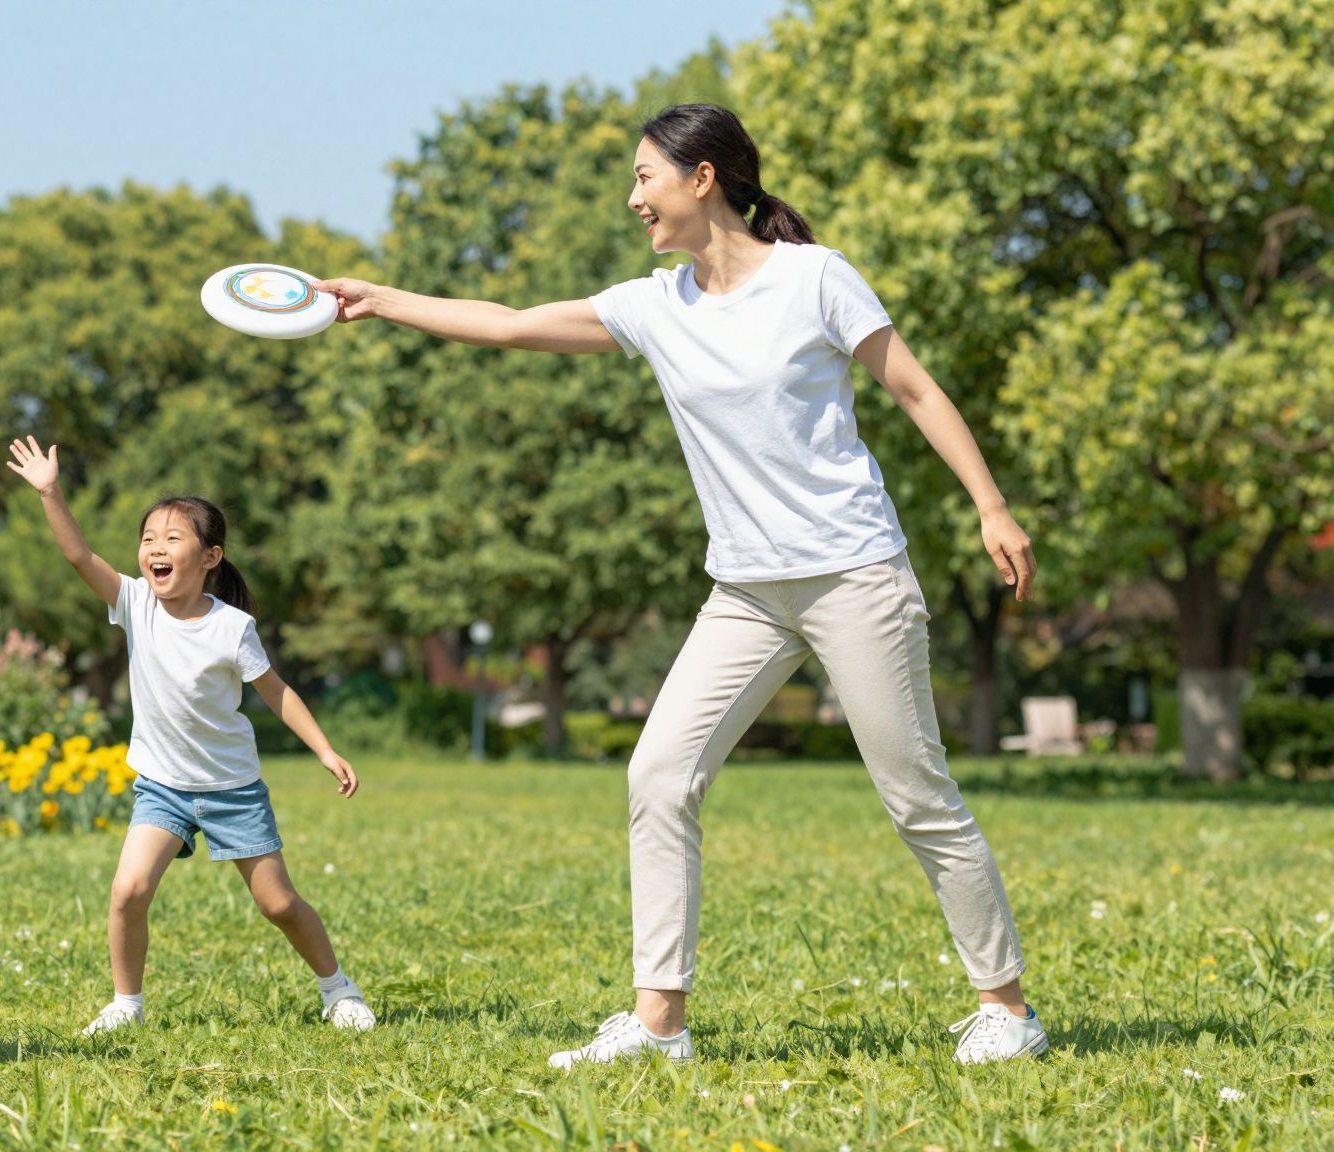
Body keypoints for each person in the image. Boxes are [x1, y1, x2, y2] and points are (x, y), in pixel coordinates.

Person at [314, 103, 1047, 1066]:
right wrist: (384, 298)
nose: (633, 199)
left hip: (851, 574)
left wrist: (990, 505)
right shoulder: (657, 305)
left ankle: (1008, 1011)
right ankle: (661, 1026)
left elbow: (912, 387)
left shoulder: (815, 279)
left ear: (703, 178)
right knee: (658, 775)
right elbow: (507, 324)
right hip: (744, 591)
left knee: (915, 792)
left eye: (645, 178)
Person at [6, 435, 375, 1036]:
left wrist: (325, 749)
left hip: (232, 789)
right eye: (148, 538)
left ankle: (338, 989)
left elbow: (276, 690)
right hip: (163, 788)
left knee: (278, 905)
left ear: (210, 557)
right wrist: (51, 492)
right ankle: (127, 1004)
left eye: (172, 539)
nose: (155, 548)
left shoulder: (233, 628)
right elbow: (79, 556)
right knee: (128, 890)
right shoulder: (134, 604)